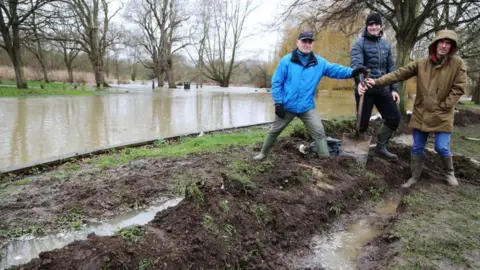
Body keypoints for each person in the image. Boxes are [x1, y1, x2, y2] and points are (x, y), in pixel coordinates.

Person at [358, 29, 467, 187]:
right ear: (435, 44)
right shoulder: (422, 63)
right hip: (421, 111)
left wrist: (445, 105)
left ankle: (449, 173)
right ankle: (414, 177)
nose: (444, 46)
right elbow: (400, 73)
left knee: (441, 147)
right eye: (441, 42)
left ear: (452, 47)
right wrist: (377, 82)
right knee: (417, 147)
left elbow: (458, 88)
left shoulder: (458, 64)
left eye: (448, 43)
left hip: (442, 113)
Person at [253, 31, 367, 161]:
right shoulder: (286, 61)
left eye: (310, 42)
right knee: (274, 131)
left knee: (319, 132)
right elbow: (276, 82)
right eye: (304, 41)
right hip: (287, 106)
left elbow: (335, 70)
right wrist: (278, 102)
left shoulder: (319, 62)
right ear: (298, 43)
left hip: (306, 107)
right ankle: (262, 154)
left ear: (312, 44)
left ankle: (325, 158)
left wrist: (353, 72)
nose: (307, 44)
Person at [350, 13, 402, 160]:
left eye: (376, 24)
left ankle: (380, 147)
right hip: (365, 90)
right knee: (362, 125)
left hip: (383, 89)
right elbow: (356, 66)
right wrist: (359, 82)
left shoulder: (386, 45)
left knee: (394, 117)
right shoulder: (359, 44)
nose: (373, 27)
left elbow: (391, 69)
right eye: (370, 24)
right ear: (367, 26)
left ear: (380, 26)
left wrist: (394, 89)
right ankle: (355, 154)